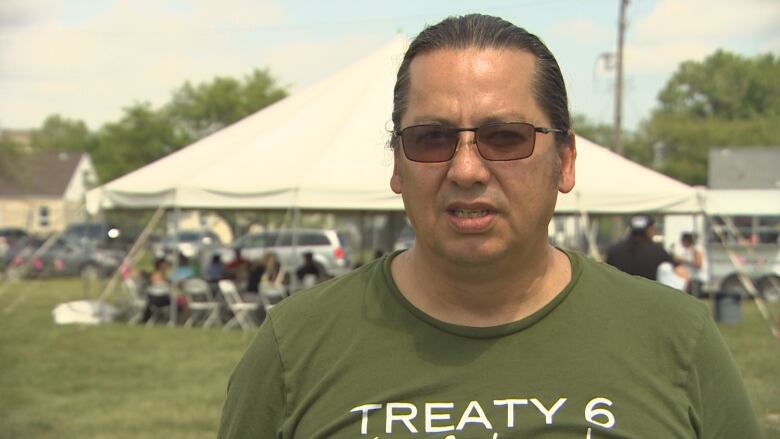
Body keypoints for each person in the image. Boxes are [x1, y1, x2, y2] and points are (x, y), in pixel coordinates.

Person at [219, 14, 759, 438]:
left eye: (506, 138)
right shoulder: (295, 347)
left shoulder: (676, 340)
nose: (467, 169)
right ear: (396, 166)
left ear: (565, 161)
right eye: (431, 138)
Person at [606, 215, 687, 281]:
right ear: (649, 230)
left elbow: (605, 273)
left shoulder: (615, 250)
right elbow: (683, 273)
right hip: (647, 296)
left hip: (619, 295)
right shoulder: (657, 251)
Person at [674, 232, 710, 297]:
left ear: (686, 241)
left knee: (691, 296)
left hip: (697, 278)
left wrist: (684, 261)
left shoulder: (696, 249)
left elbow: (698, 264)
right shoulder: (688, 250)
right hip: (692, 278)